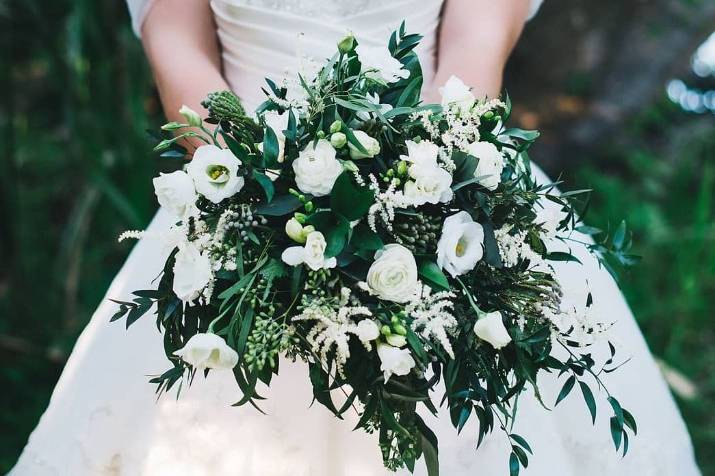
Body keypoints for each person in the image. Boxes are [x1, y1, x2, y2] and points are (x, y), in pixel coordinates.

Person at [9, 1, 701, 474]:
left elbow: (474, 49)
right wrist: (250, 186)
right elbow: (174, 37)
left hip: (441, 190)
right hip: (234, 198)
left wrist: (412, 198)